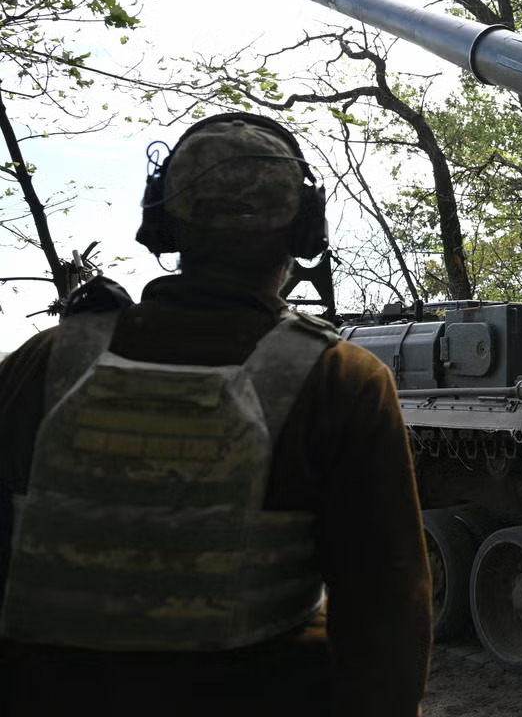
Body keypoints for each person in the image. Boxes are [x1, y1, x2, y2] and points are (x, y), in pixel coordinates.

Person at [0, 114, 431, 717]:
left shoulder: (44, 363)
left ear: (165, 218)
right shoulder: (342, 383)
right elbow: (385, 625)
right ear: (304, 230)